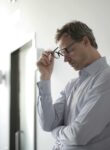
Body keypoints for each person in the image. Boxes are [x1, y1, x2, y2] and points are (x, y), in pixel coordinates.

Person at [36, 20, 110, 150]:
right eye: (62, 53)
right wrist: (45, 77)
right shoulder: (72, 85)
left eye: (67, 51)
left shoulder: (106, 78)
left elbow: (78, 135)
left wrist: (56, 132)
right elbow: (47, 123)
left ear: (86, 41)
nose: (65, 59)